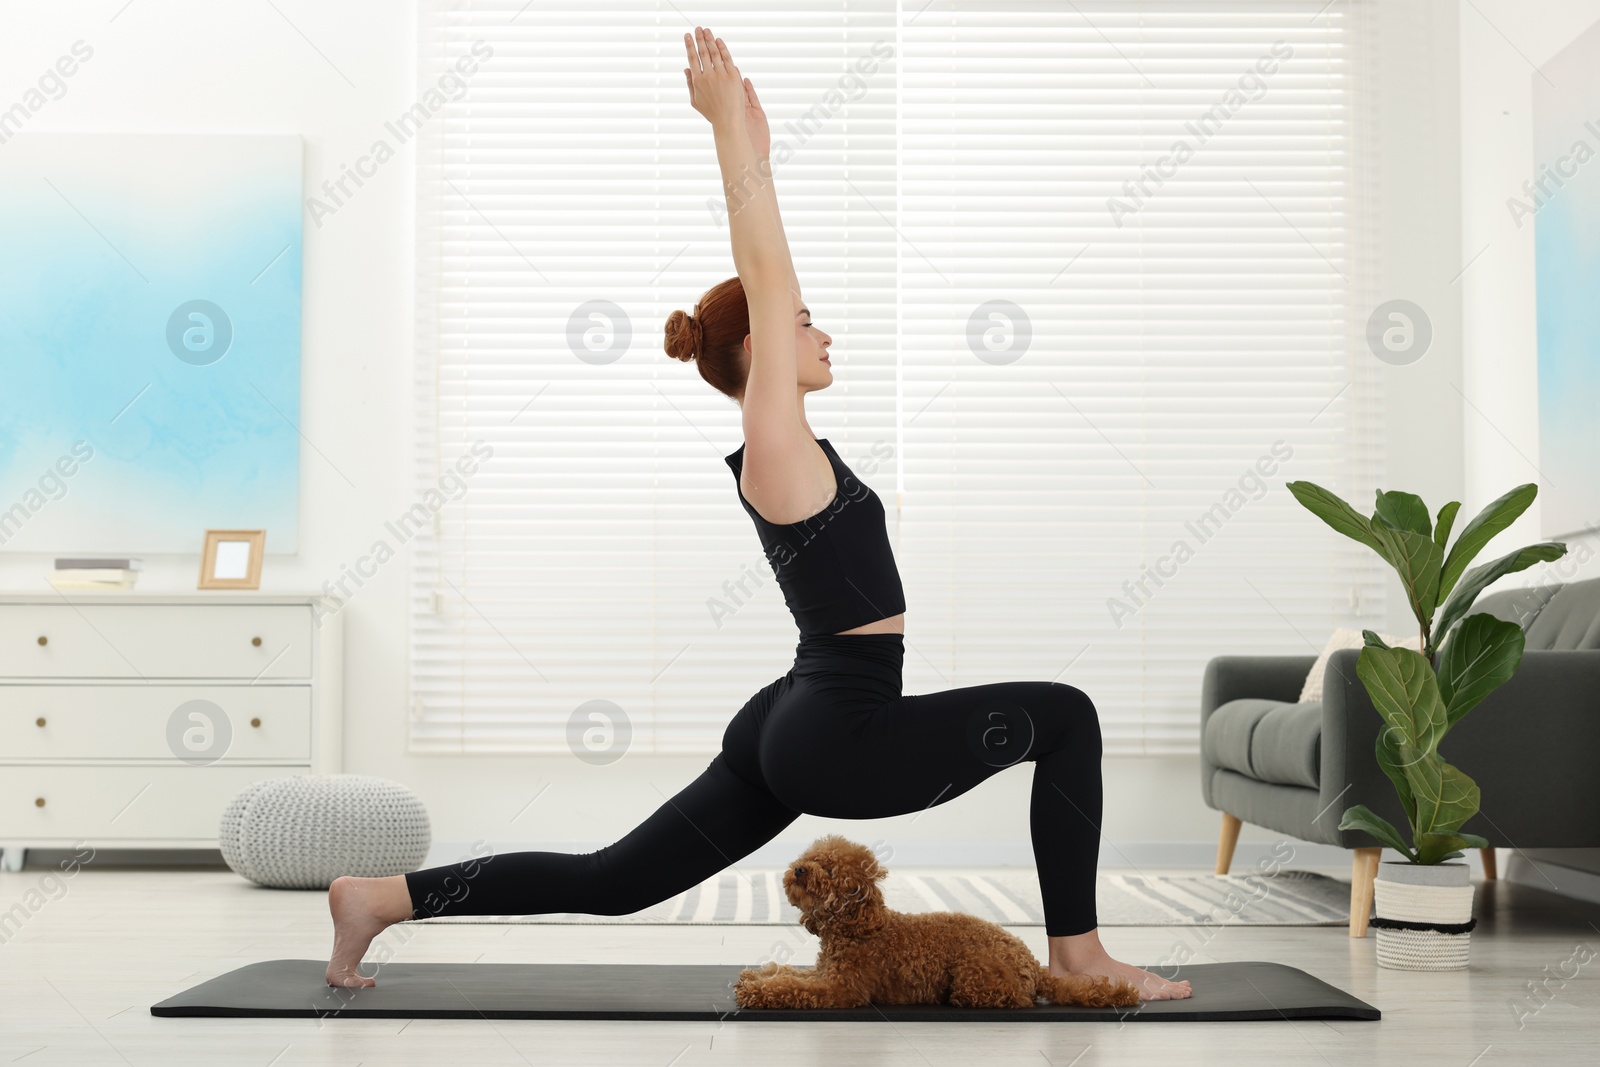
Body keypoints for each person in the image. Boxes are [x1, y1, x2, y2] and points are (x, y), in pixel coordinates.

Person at [324, 26, 1192, 1002]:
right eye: (801, 321)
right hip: (836, 730)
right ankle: (1079, 955)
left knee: (613, 879)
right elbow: (768, 275)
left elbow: (771, 287)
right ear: (759, 349)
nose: (820, 329)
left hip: (794, 714)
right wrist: (730, 140)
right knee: (1067, 717)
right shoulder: (774, 442)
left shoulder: (791, 450)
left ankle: (379, 897)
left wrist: (757, 148)